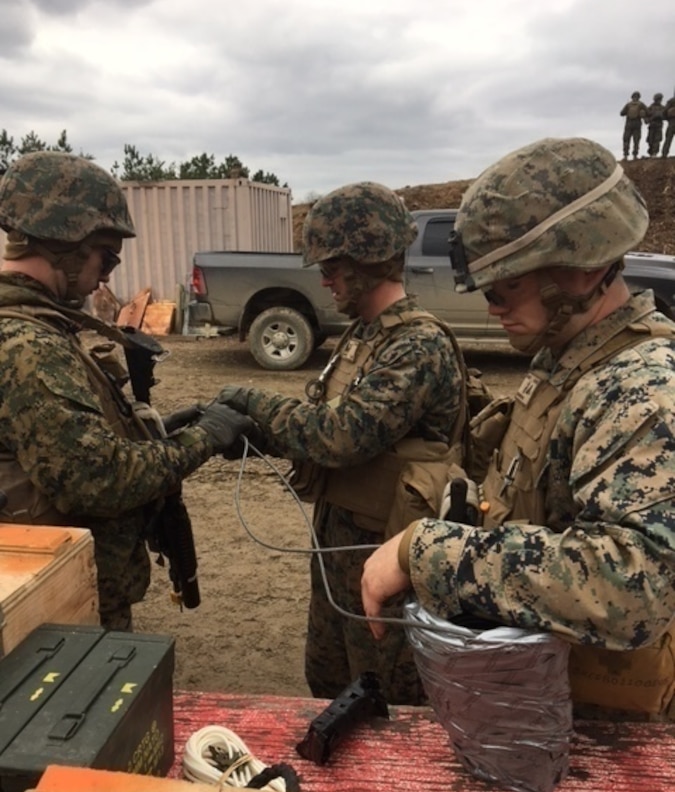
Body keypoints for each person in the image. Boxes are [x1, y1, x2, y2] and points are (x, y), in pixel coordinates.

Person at [361, 137, 675, 721]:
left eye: (506, 288)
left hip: (599, 736)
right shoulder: (567, 358)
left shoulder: (641, 388)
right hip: (540, 697)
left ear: (577, 269)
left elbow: (636, 583)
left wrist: (425, 553)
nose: (493, 309)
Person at [217, 182, 467, 705]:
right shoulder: (364, 334)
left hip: (386, 550)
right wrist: (247, 434)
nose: (324, 279)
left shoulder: (417, 344)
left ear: (369, 261)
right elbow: (320, 421)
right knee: (329, 683)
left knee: (388, 703)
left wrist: (253, 403)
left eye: (332, 266)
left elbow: (341, 435)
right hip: (339, 540)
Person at [0, 151, 257, 631]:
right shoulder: (26, 345)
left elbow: (76, 443)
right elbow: (99, 479)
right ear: (68, 243)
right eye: (107, 254)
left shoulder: (41, 330)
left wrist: (157, 432)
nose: (109, 273)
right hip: (62, 609)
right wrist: (205, 438)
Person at [620, 91, 647, 159]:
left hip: (629, 123)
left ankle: (625, 155)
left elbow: (622, 113)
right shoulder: (641, 104)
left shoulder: (628, 104)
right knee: (636, 140)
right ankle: (635, 155)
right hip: (637, 123)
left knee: (626, 139)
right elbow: (648, 112)